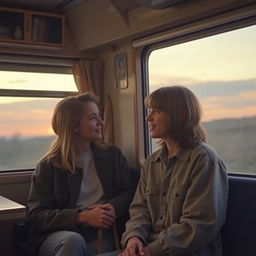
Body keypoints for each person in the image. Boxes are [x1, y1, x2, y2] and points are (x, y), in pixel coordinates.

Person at [119, 86, 228, 256]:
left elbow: (199, 224)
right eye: (150, 111)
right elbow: (140, 210)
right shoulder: (151, 163)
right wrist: (134, 238)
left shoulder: (204, 160)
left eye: (156, 111)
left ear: (181, 115)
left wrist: (151, 250)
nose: (148, 118)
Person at [26, 93, 134, 256]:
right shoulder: (48, 166)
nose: (101, 122)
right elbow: (36, 216)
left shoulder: (112, 156)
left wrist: (112, 207)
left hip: (102, 230)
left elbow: (130, 193)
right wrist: (81, 217)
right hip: (60, 235)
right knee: (73, 242)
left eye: (99, 116)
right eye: (92, 118)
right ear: (74, 126)